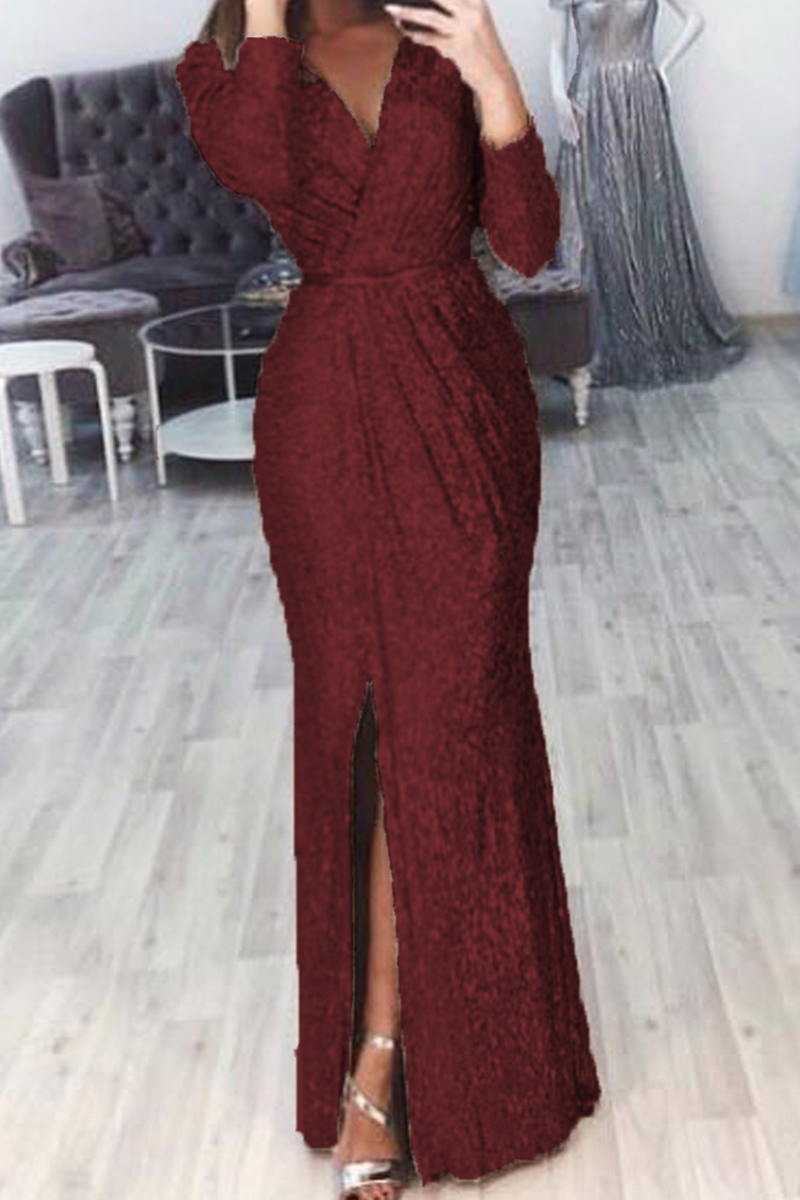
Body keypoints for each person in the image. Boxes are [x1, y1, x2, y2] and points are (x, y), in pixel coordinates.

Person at [175, 1, 602, 1196]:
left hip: (462, 403)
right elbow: (261, 164)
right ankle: (377, 1055)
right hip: (321, 419)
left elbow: (526, 243)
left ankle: (415, 1057)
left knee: (454, 721)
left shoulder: (436, 40)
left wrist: (493, 74)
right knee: (359, 725)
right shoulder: (221, 64)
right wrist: (267, 16)